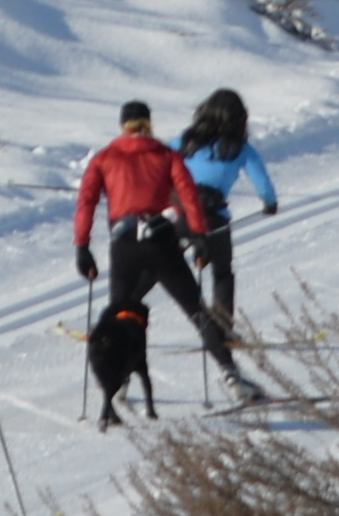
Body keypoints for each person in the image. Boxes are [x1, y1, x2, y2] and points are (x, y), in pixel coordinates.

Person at [75, 98, 258, 420]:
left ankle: (118, 385)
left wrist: (82, 246)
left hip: (124, 245)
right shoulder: (166, 154)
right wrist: (200, 236)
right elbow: (187, 195)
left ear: (122, 126)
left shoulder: (104, 158)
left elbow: (87, 201)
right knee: (197, 312)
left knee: (121, 315)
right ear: (149, 124)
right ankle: (231, 375)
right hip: (162, 242)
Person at [177, 88, 280, 338]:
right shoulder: (240, 149)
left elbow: (159, 164)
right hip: (213, 216)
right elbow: (263, 182)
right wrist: (270, 203)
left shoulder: (184, 141)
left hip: (179, 212)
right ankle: (222, 330)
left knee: (159, 266)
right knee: (222, 273)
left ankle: (120, 319)